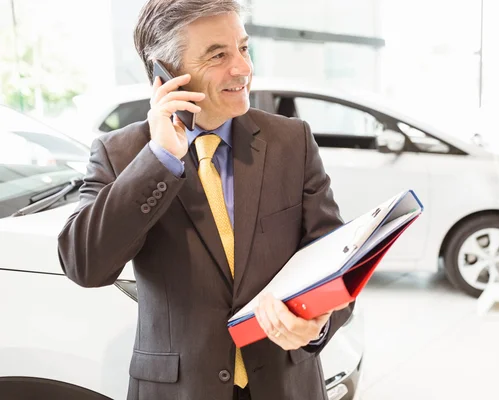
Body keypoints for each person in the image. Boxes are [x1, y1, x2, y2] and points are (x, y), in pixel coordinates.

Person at [57, 1, 354, 399]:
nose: (243, 68)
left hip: (284, 385)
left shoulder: (292, 141)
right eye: (218, 55)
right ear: (167, 73)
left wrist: (317, 323)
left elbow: (338, 261)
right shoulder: (122, 154)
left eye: (243, 48)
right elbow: (84, 265)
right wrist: (159, 159)